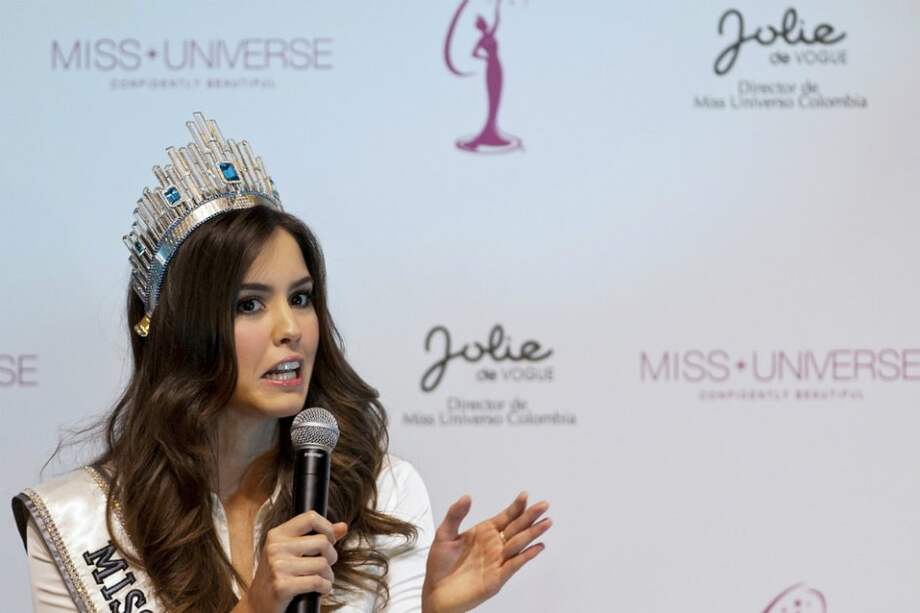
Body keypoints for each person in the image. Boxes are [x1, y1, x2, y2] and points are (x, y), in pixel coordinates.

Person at [12, 114, 551, 612]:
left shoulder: (381, 492)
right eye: (249, 305)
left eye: (300, 297)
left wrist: (431, 611)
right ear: (184, 331)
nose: (289, 328)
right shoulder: (79, 521)